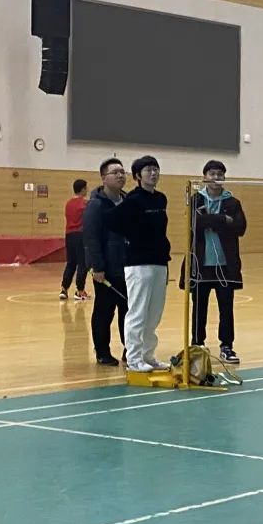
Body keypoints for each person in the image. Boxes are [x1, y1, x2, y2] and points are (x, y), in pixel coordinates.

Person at [106, 156, 171, 373]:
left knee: (154, 314)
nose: (153, 173)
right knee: (138, 312)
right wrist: (133, 237)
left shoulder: (161, 199)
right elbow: (111, 221)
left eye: (156, 169)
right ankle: (133, 359)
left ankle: (147, 355)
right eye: (148, 170)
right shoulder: (133, 200)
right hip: (138, 263)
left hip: (159, 262)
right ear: (137, 176)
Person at [181, 160, 247, 366]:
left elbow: (240, 227)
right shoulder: (196, 199)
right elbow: (195, 223)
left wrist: (212, 220)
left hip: (225, 266)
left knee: (226, 309)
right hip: (200, 264)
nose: (216, 177)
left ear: (224, 177)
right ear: (205, 177)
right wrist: (223, 220)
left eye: (220, 174)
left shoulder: (233, 202)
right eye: (212, 174)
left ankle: (226, 346)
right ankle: (197, 345)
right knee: (198, 309)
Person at [83, 158, 129, 366]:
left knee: (128, 310)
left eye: (122, 172)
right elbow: (91, 238)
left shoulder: (128, 201)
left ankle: (130, 349)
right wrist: (97, 267)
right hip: (107, 269)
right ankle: (102, 352)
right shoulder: (95, 205)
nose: (120, 175)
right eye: (115, 172)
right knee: (104, 311)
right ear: (103, 178)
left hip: (129, 267)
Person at [59, 178, 90, 301]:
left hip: (69, 235)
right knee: (82, 263)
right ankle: (80, 291)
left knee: (71, 263)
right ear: (83, 189)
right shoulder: (85, 204)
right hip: (80, 235)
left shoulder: (68, 204)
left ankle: (64, 289)